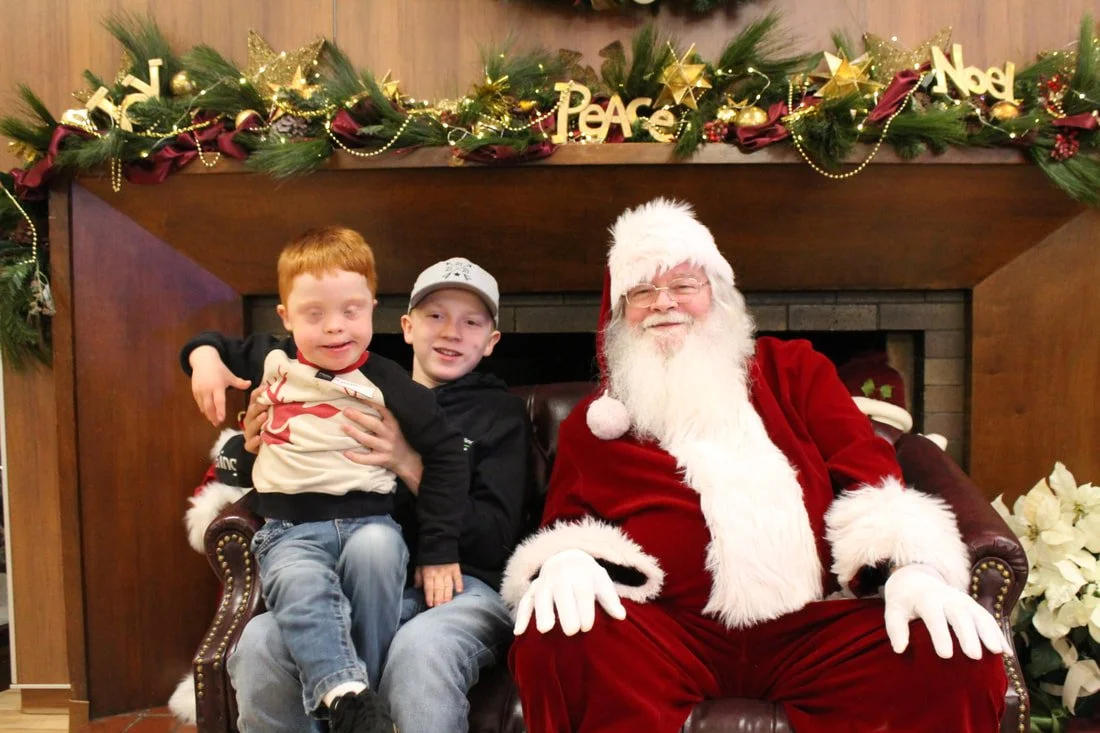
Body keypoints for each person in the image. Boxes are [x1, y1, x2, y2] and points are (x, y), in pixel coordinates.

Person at [501, 198, 1008, 733]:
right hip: (667, 637)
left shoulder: (795, 371)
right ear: (620, 314)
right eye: (642, 291)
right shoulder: (594, 425)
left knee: (954, 654)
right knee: (556, 634)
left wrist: (911, 570)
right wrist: (567, 561)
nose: (663, 303)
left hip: (810, 632)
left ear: (716, 294)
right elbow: (567, 523)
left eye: (683, 285)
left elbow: (869, 470)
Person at [181, 228, 469, 733]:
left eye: (351, 311)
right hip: (289, 531)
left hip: (370, 522)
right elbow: (208, 344)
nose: (335, 327)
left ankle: (361, 694)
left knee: (379, 548)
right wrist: (203, 362)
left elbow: (448, 453)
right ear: (286, 317)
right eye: (314, 314)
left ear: (373, 309)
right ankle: (347, 697)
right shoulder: (275, 361)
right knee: (299, 583)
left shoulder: (387, 381)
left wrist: (439, 548)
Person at [227, 256, 530, 733]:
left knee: (420, 650)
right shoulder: (357, 389)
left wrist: (406, 462)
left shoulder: (502, 415)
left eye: (471, 322)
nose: (451, 332)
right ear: (406, 327)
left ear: (491, 340)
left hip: (460, 587)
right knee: (260, 642)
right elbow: (293, 480)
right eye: (435, 315)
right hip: (352, 579)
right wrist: (255, 442)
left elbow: (493, 540)